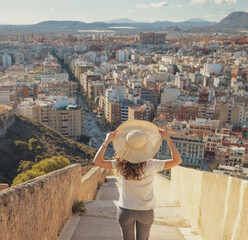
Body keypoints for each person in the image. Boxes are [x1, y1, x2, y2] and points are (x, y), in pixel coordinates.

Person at [93, 120, 182, 240]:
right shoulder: (152, 165)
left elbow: (97, 161)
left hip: (125, 210)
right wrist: (168, 139)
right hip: (145, 211)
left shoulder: (121, 164)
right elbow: (177, 160)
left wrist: (107, 140)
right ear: (145, 146)